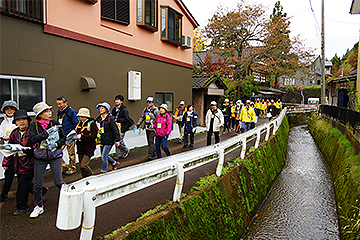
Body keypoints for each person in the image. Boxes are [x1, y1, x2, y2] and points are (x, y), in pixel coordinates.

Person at [2, 110, 47, 215]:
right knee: (24, 183)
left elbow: (38, 146)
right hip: (18, 163)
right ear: (15, 122)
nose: (21, 122)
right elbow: (9, 149)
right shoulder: (14, 133)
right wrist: (5, 163)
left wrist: (28, 149)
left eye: (23, 119)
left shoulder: (32, 131)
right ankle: (42, 191)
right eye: (18, 120)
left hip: (31, 163)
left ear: (27, 120)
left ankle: (22, 206)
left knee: (22, 185)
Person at [29, 102, 66, 218]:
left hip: (55, 155)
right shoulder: (33, 125)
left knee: (58, 181)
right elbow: (33, 139)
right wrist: (46, 133)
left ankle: (69, 198)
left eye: (50, 110)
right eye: (46, 111)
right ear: (39, 114)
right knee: (38, 184)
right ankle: (38, 206)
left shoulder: (54, 123)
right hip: (40, 157)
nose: (49, 113)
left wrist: (57, 144)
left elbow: (63, 137)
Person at [0, 100, 19, 202]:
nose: (9, 111)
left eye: (12, 109)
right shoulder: (4, 122)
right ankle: (3, 194)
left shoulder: (17, 121)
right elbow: (1, 133)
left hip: (17, 151)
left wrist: (9, 137)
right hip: (7, 151)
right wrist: (4, 136)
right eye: (7, 109)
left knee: (18, 173)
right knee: (9, 172)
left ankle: (3, 194)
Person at [95, 102, 120, 174]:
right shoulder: (99, 118)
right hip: (102, 139)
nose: (101, 109)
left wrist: (117, 140)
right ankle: (114, 163)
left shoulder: (110, 118)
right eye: (100, 108)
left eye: (102, 108)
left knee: (103, 156)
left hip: (109, 139)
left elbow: (115, 129)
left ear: (106, 109)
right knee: (104, 155)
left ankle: (104, 170)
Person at [56, 97, 78, 175]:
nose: (59, 106)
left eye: (60, 103)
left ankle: (72, 168)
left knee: (71, 154)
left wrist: (74, 133)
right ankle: (63, 166)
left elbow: (76, 123)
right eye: (58, 104)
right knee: (57, 152)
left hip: (70, 135)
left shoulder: (71, 112)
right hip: (61, 136)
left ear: (66, 103)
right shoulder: (59, 112)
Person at [73, 108, 98, 178]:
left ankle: (92, 176)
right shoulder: (79, 124)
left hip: (89, 147)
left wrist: (82, 137)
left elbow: (93, 136)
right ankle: (84, 178)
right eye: (79, 116)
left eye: (81, 116)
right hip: (80, 147)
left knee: (83, 165)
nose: (80, 118)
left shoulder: (92, 124)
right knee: (81, 166)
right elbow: (76, 132)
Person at [111, 95, 134, 159]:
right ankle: (118, 154)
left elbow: (126, 119)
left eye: (118, 100)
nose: (117, 101)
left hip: (122, 127)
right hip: (116, 127)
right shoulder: (114, 109)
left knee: (119, 140)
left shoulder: (124, 110)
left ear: (121, 101)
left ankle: (125, 150)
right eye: (116, 100)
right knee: (116, 140)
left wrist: (117, 119)